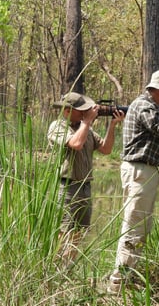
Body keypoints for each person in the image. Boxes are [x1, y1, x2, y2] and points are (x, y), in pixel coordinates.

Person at [108, 69, 159, 293]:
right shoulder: (144, 106)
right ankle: (118, 284)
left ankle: (126, 277)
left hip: (143, 172)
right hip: (140, 171)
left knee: (140, 227)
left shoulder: (152, 106)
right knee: (134, 228)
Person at [47, 92, 124, 260]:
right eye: (80, 110)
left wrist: (112, 125)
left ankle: (68, 269)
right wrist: (87, 121)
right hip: (66, 187)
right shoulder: (57, 126)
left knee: (79, 233)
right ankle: (58, 269)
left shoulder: (85, 129)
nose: (84, 113)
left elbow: (106, 149)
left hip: (85, 187)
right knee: (65, 232)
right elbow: (75, 143)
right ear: (67, 111)